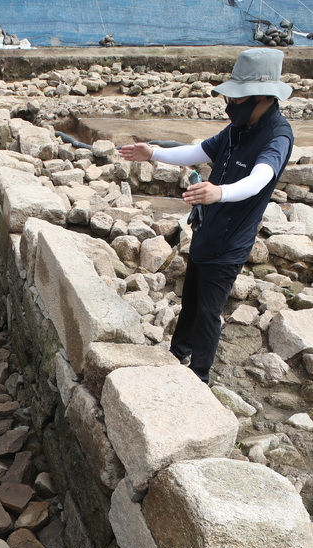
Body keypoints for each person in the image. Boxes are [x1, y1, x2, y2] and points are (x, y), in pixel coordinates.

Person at [119, 48, 294, 384]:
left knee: (208, 311)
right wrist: (153, 152)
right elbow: (199, 150)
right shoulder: (237, 129)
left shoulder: (277, 135)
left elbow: (260, 178)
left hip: (230, 242)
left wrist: (220, 192)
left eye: (237, 98)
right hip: (207, 229)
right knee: (191, 298)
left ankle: (199, 376)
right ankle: (177, 352)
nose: (231, 105)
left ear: (260, 96)